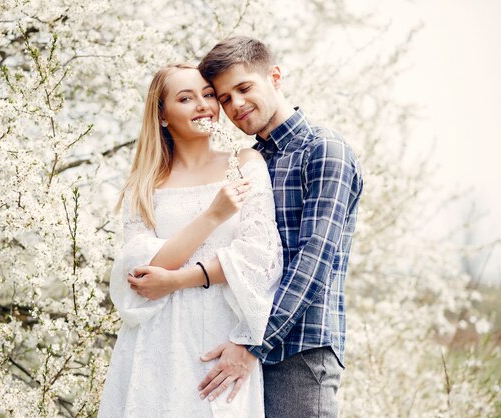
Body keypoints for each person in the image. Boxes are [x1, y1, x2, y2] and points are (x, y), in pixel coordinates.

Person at [97, 63, 283, 418]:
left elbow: (259, 258)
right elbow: (143, 274)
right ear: (163, 115)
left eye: (209, 95)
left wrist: (177, 279)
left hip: (221, 337)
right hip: (154, 342)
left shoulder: (245, 163)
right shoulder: (144, 185)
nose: (204, 105)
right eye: (186, 98)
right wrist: (213, 215)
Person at [194, 37, 364, 418]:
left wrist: (254, 342)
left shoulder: (324, 150)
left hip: (300, 351)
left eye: (244, 88)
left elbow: (313, 260)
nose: (235, 105)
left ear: (274, 77)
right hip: (241, 344)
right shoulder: (248, 163)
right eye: (224, 98)